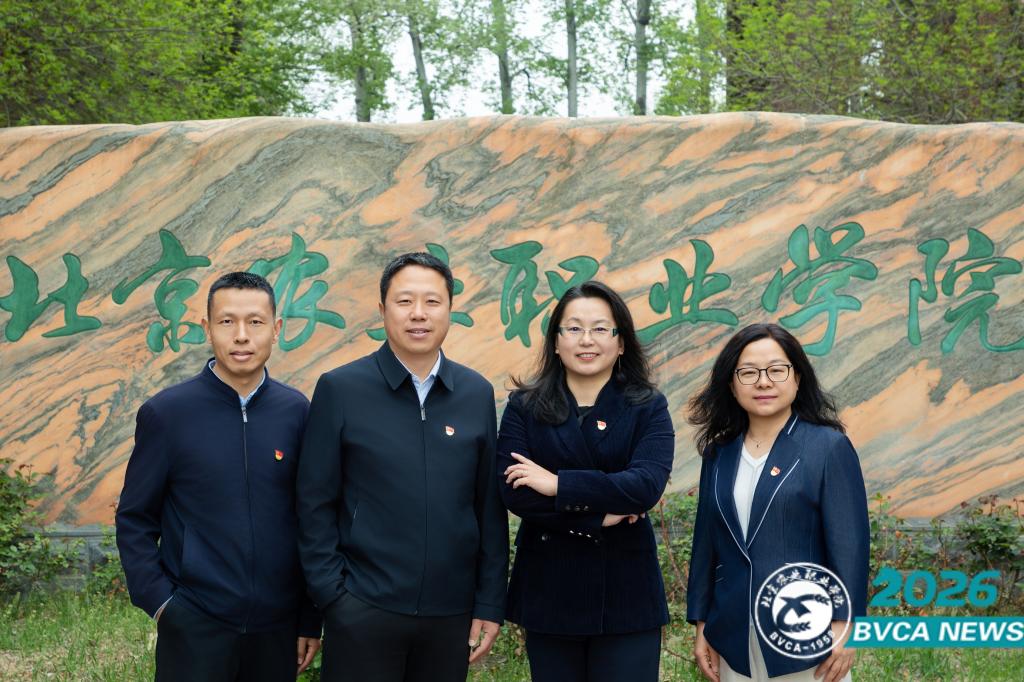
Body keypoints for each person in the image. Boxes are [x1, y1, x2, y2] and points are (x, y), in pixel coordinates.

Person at [295, 252, 509, 682]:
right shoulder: (341, 389)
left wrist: (489, 602)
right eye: (405, 301)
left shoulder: (475, 393)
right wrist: (333, 597)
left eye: (432, 301)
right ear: (382, 310)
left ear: (450, 309)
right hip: (362, 608)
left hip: (450, 614)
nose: (418, 314)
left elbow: (488, 505)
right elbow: (313, 502)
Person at [115, 271, 322, 682]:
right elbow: (135, 519)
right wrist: (162, 603)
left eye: (255, 322)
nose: (241, 336)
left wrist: (307, 616)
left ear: (276, 329)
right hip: (195, 624)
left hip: (276, 627)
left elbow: (310, 518)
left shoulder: (296, 411)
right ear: (207, 329)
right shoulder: (168, 414)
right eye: (227, 322)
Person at [497, 280, 675, 682]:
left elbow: (645, 485)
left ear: (621, 342)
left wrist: (559, 485)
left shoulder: (647, 406)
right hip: (550, 588)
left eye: (600, 328)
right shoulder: (525, 406)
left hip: (626, 592)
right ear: (556, 341)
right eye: (574, 328)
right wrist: (599, 516)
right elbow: (515, 492)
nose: (586, 340)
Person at [686, 323, 869, 682]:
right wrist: (703, 624)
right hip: (733, 635)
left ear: (797, 377)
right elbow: (706, 543)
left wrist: (846, 625)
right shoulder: (719, 453)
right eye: (748, 372)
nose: (763, 382)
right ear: (731, 384)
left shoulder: (827, 447)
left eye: (776, 370)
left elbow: (850, 545)